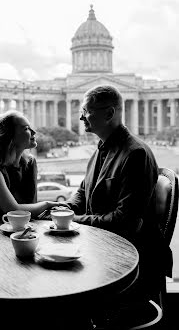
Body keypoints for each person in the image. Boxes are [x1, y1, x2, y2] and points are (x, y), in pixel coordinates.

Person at [65, 85, 173, 326]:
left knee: (60, 292)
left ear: (109, 113)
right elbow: (83, 190)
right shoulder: (101, 149)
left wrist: (72, 221)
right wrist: (66, 210)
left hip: (131, 262)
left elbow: (124, 222)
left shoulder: (135, 154)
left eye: (86, 111)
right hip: (104, 249)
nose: (81, 116)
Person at [0, 110, 62, 224]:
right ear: (10, 137)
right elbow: (12, 210)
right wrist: (46, 204)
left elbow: (31, 205)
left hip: (18, 229)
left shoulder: (30, 163)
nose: (34, 132)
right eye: (26, 128)